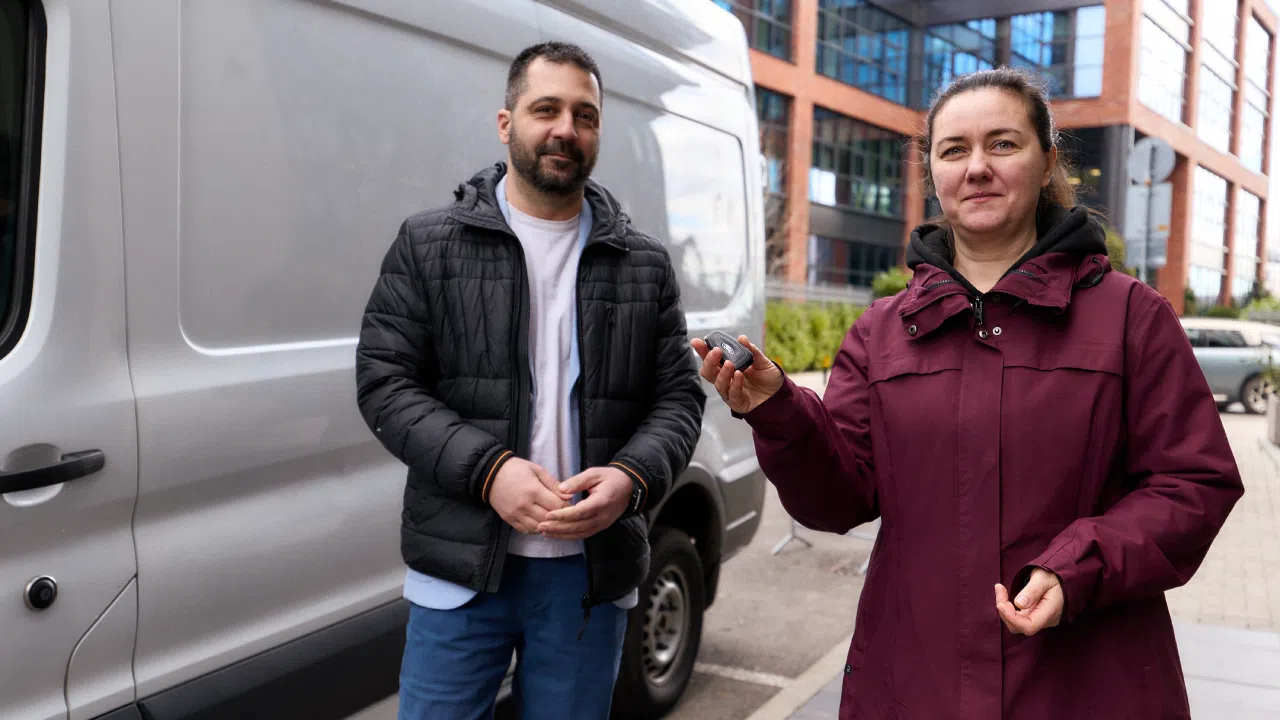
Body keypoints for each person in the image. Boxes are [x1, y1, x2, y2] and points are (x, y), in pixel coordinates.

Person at [694, 67, 1242, 719]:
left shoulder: (1131, 317)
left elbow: (1194, 482)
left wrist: (1079, 567)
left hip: (1089, 686)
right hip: (915, 681)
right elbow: (838, 500)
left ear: (1047, 162)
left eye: (1002, 144)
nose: (977, 167)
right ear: (933, 173)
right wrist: (778, 411)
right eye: (954, 150)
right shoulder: (880, 333)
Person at [356, 42, 704, 720]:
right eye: (546, 109)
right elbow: (385, 383)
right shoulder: (429, 245)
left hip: (588, 576)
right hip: (462, 566)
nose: (565, 129)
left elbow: (678, 400)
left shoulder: (643, 264)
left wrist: (631, 479)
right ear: (506, 122)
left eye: (584, 115)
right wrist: (490, 472)